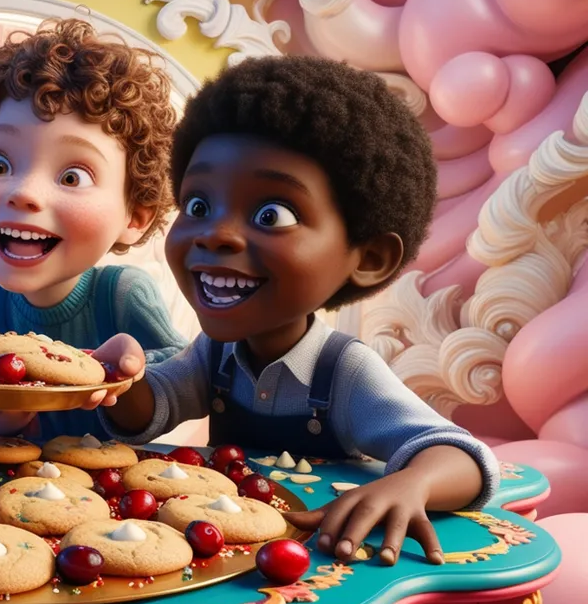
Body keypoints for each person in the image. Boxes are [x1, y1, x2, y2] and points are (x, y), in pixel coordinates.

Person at [97, 56, 500, 567]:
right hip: (229, 560)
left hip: (323, 564)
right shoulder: (215, 354)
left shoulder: (344, 373)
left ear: (369, 259)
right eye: (199, 206)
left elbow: (462, 456)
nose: (216, 233)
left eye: (273, 214)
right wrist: (122, 376)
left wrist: (412, 484)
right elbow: (153, 409)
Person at [0, 18, 187, 440]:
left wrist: (133, 369)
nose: (25, 193)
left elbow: (186, 371)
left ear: (135, 217)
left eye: (73, 176)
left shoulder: (123, 293)